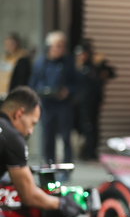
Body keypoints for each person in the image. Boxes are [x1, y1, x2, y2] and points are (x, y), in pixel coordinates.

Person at [0, 86, 82, 217]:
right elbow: (28, 196)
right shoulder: (13, 138)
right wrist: (62, 204)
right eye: (32, 123)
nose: (30, 131)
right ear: (19, 114)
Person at [29, 30, 77, 164]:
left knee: (65, 138)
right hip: (46, 105)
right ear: (50, 46)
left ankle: (66, 167)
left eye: (62, 45)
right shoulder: (41, 63)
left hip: (64, 106)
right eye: (57, 45)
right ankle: (49, 165)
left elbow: (76, 83)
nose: (59, 49)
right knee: (48, 137)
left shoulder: (68, 63)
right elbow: (32, 83)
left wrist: (68, 91)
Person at [74, 40, 115, 161]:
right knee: (82, 127)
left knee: (90, 127)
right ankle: (85, 151)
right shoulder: (77, 67)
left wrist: (100, 66)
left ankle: (90, 152)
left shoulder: (94, 66)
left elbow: (110, 73)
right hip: (80, 103)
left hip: (92, 102)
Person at [0, 33, 31, 101]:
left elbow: (21, 79)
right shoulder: (5, 58)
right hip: (2, 94)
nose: (7, 47)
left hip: (13, 95)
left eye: (9, 44)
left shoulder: (22, 59)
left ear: (15, 44)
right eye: (6, 45)